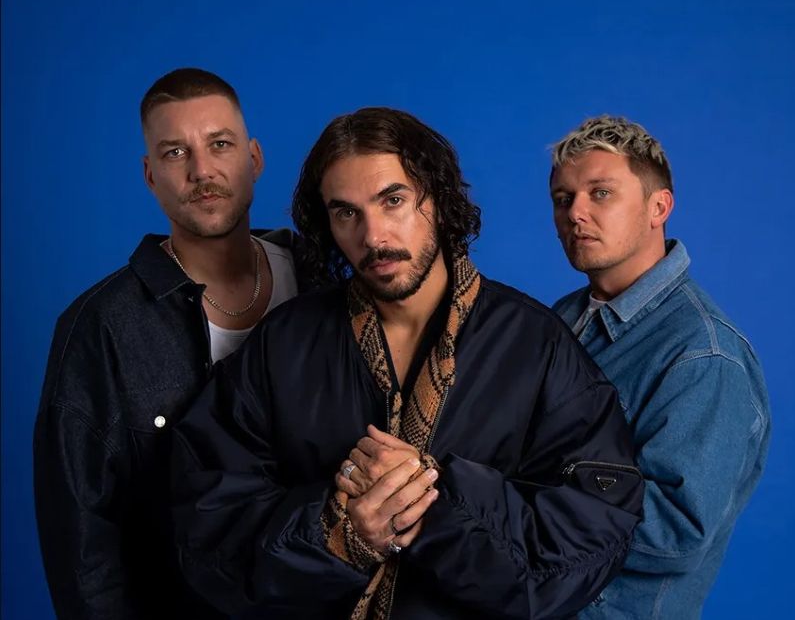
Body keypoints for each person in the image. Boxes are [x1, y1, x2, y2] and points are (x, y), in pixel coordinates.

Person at [172, 106, 644, 620]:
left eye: (392, 200)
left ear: (437, 199)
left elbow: (593, 535)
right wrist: (339, 531)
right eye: (346, 213)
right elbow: (205, 521)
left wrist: (433, 500)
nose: (373, 236)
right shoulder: (284, 344)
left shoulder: (537, 345)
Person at [34, 68, 299, 619]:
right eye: (175, 153)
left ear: (253, 158)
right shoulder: (101, 326)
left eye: (220, 144)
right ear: (150, 175)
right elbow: (82, 546)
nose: (202, 171)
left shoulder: (323, 281)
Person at [549, 115, 770, 619]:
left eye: (600, 193)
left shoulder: (705, 353)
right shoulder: (561, 319)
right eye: (563, 198)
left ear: (659, 207)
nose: (575, 213)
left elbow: (677, 530)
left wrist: (526, 496)